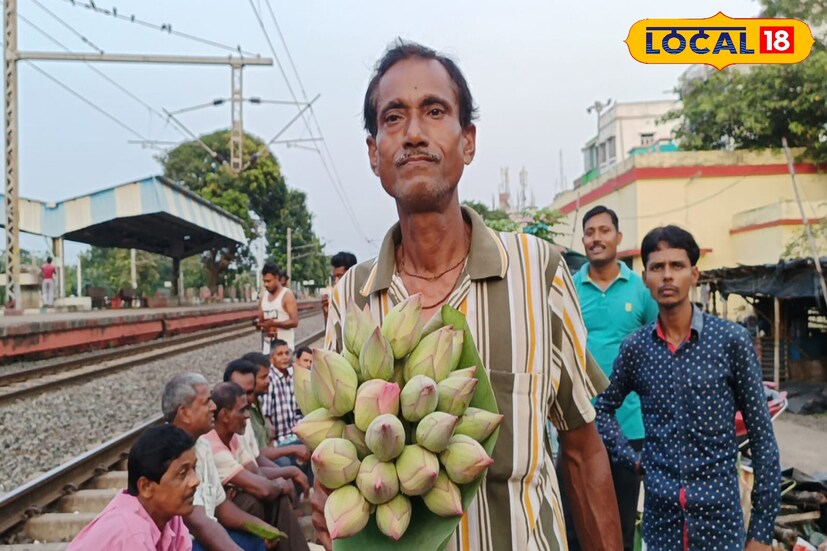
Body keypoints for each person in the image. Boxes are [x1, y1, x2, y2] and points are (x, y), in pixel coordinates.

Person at [314, 40, 622, 551]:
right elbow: (335, 446)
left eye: (435, 111)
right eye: (393, 118)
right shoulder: (353, 295)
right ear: (373, 153)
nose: (414, 133)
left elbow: (582, 447)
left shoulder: (537, 271)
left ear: (468, 141)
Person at [595, 226, 781, 551]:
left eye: (677, 265)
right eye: (657, 267)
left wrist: (761, 533)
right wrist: (632, 459)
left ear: (694, 274)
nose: (667, 275)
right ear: (645, 278)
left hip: (719, 525)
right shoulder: (637, 348)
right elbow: (602, 408)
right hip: (661, 525)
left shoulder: (730, 341)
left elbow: (763, 438)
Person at [564, 205, 659, 551]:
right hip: (577, 422)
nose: (596, 238)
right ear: (583, 240)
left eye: (604, 231)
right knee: (575, 524)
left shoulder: (640, 290)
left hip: (629, 426)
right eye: (590, 232)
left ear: (618, 237)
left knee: (620, 522)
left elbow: (657, 349)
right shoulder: (569, 288)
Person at [162, 373, 281, 551]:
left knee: (259, 540)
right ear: (184, 413)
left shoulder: (202, 445)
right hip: (187, 543)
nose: (214, 407)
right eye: (206, 402)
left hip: (206, 532)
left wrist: (261, 527)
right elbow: (197, 521)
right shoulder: (168, 450)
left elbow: (220, 505)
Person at [202, 382, 310, 551]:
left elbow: (255, 471)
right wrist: (279, 483)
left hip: (232, 503)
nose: (247, 416)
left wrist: (285, 476)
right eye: (242, 410)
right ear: (224, 415)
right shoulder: (212, 445)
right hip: (216, 516)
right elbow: (263, 489)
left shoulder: (232, 437)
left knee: (273, 499)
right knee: (258, 501)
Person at [68, 425, 198, 551]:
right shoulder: (131, 532)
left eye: (194, 468)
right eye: (182, 474)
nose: (195, 481)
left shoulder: (170, 517)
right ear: (146, 486)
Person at [224, 359, 310, 498]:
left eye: (249, 392)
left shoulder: (247, 413)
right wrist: (286, 473)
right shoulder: (231, 422)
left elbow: (255, 458)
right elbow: (250, 471)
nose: (245, 398)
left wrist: (286, 474)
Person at [258, 264, 298, 354]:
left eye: (269, 281)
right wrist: (260, 324)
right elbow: (261, 320)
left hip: (285, 350)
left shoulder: (287, 295)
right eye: (264, 281)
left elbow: (294, 322)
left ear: (276, 278)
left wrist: (275, 324)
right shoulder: (263, 297)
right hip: (268, 349)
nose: (266, 284)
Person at [321, 252, 357, 323]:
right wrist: (327, 313)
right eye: (335, 277)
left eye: (340, 276)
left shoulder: (362, 297)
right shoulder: (338, 298)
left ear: (352, 273)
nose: (336, 281)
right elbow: (333, 329)